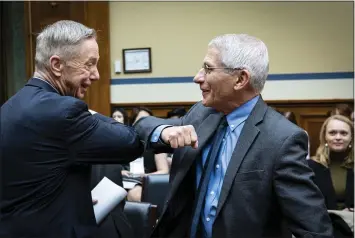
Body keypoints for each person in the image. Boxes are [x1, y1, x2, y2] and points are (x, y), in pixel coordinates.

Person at [134, 34, 333, 238]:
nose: (198, 77)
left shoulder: (282, 139)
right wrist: (165, 131)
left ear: (240, 79)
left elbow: (314, 229)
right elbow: (142, 126)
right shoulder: (201, 115)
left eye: (208, 69)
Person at [0, 20, 143, 238]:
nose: (95, 74)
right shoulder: (62, 111)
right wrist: (92, 115)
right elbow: (130, 143)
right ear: (57, 65)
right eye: (89, 64)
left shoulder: (9, 107)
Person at [308, 115, 354, 211]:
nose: (338, 137)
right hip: (321, 223)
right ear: (325, 136)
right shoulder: (309, 167)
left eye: (343, 133)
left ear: (351, 137)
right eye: (332, 133)